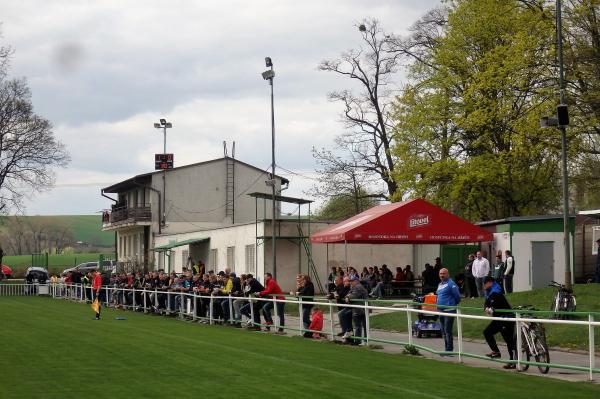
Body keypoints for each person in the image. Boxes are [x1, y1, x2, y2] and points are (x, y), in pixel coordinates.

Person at [482, 276, 516, 369]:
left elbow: (494, 305)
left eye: (485, 283)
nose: (483, 285)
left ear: (490, 283)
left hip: (506, 319)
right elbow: (486, 303)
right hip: (499, 319)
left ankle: (513, 361)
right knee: (487, 332)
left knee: (509, 341)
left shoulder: (496, 292)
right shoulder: (490, 292)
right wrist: (487, 308)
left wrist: (490, 309)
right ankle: (496, 352)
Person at [436, 268, 461, 353]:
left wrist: (452, 304)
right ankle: (447, 348)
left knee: (447, 330)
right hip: (440, 310)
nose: (442, 275)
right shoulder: (440, 284)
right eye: (440, 274)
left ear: (448, 274)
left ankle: (449, 350)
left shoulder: (451, 284)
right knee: (443, 331)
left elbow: (457, 296)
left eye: (443, 273)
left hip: (449, 310)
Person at [344, 275, 369, 345]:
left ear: (357, 281)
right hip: (358, 308)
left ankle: (364, 341)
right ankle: (360, 341)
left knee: (363, 326)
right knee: (359, 326)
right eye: (350, 281)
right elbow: (348, 294)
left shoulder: (358, 287)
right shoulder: (354, 287)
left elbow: (353, 295)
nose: (351, 282)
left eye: (352, 281)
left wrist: (348, 297)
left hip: (362, 309)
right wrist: (347, 296)